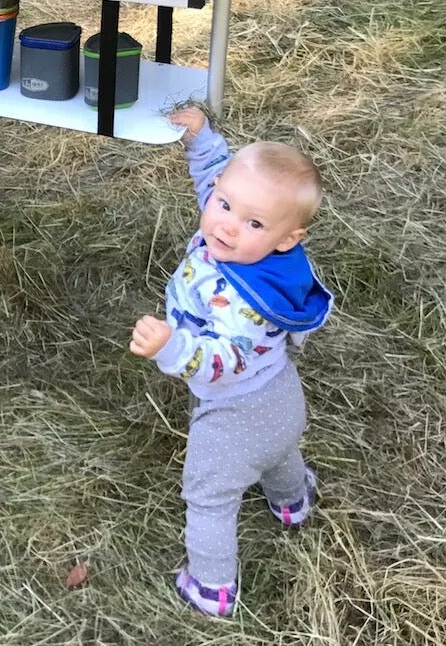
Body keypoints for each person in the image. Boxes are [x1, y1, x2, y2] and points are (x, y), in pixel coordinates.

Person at [128, 105, 333, 617]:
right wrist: (201, 140)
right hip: (282, 400)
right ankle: (292, 502)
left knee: (209, 495)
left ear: (287, 239)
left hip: (235, 411)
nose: (227, 225)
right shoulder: (238, 237)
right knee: (277, 449)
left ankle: (212, 586)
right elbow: (215, 181)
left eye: (253, 221)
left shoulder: (245, 302)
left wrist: (170, 347)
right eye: (224, 204)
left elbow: (222, 362)